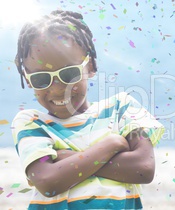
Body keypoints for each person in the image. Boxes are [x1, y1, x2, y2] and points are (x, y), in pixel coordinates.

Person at [11, 10, 164, 210]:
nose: (57, 89)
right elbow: (48, 182)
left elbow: (143, 169)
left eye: (69, 73)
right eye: (41, 78)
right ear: (28, 79)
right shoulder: (31, 122)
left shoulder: (122, 108)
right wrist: (112, 144)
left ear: (90, 66)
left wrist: (66, 160)